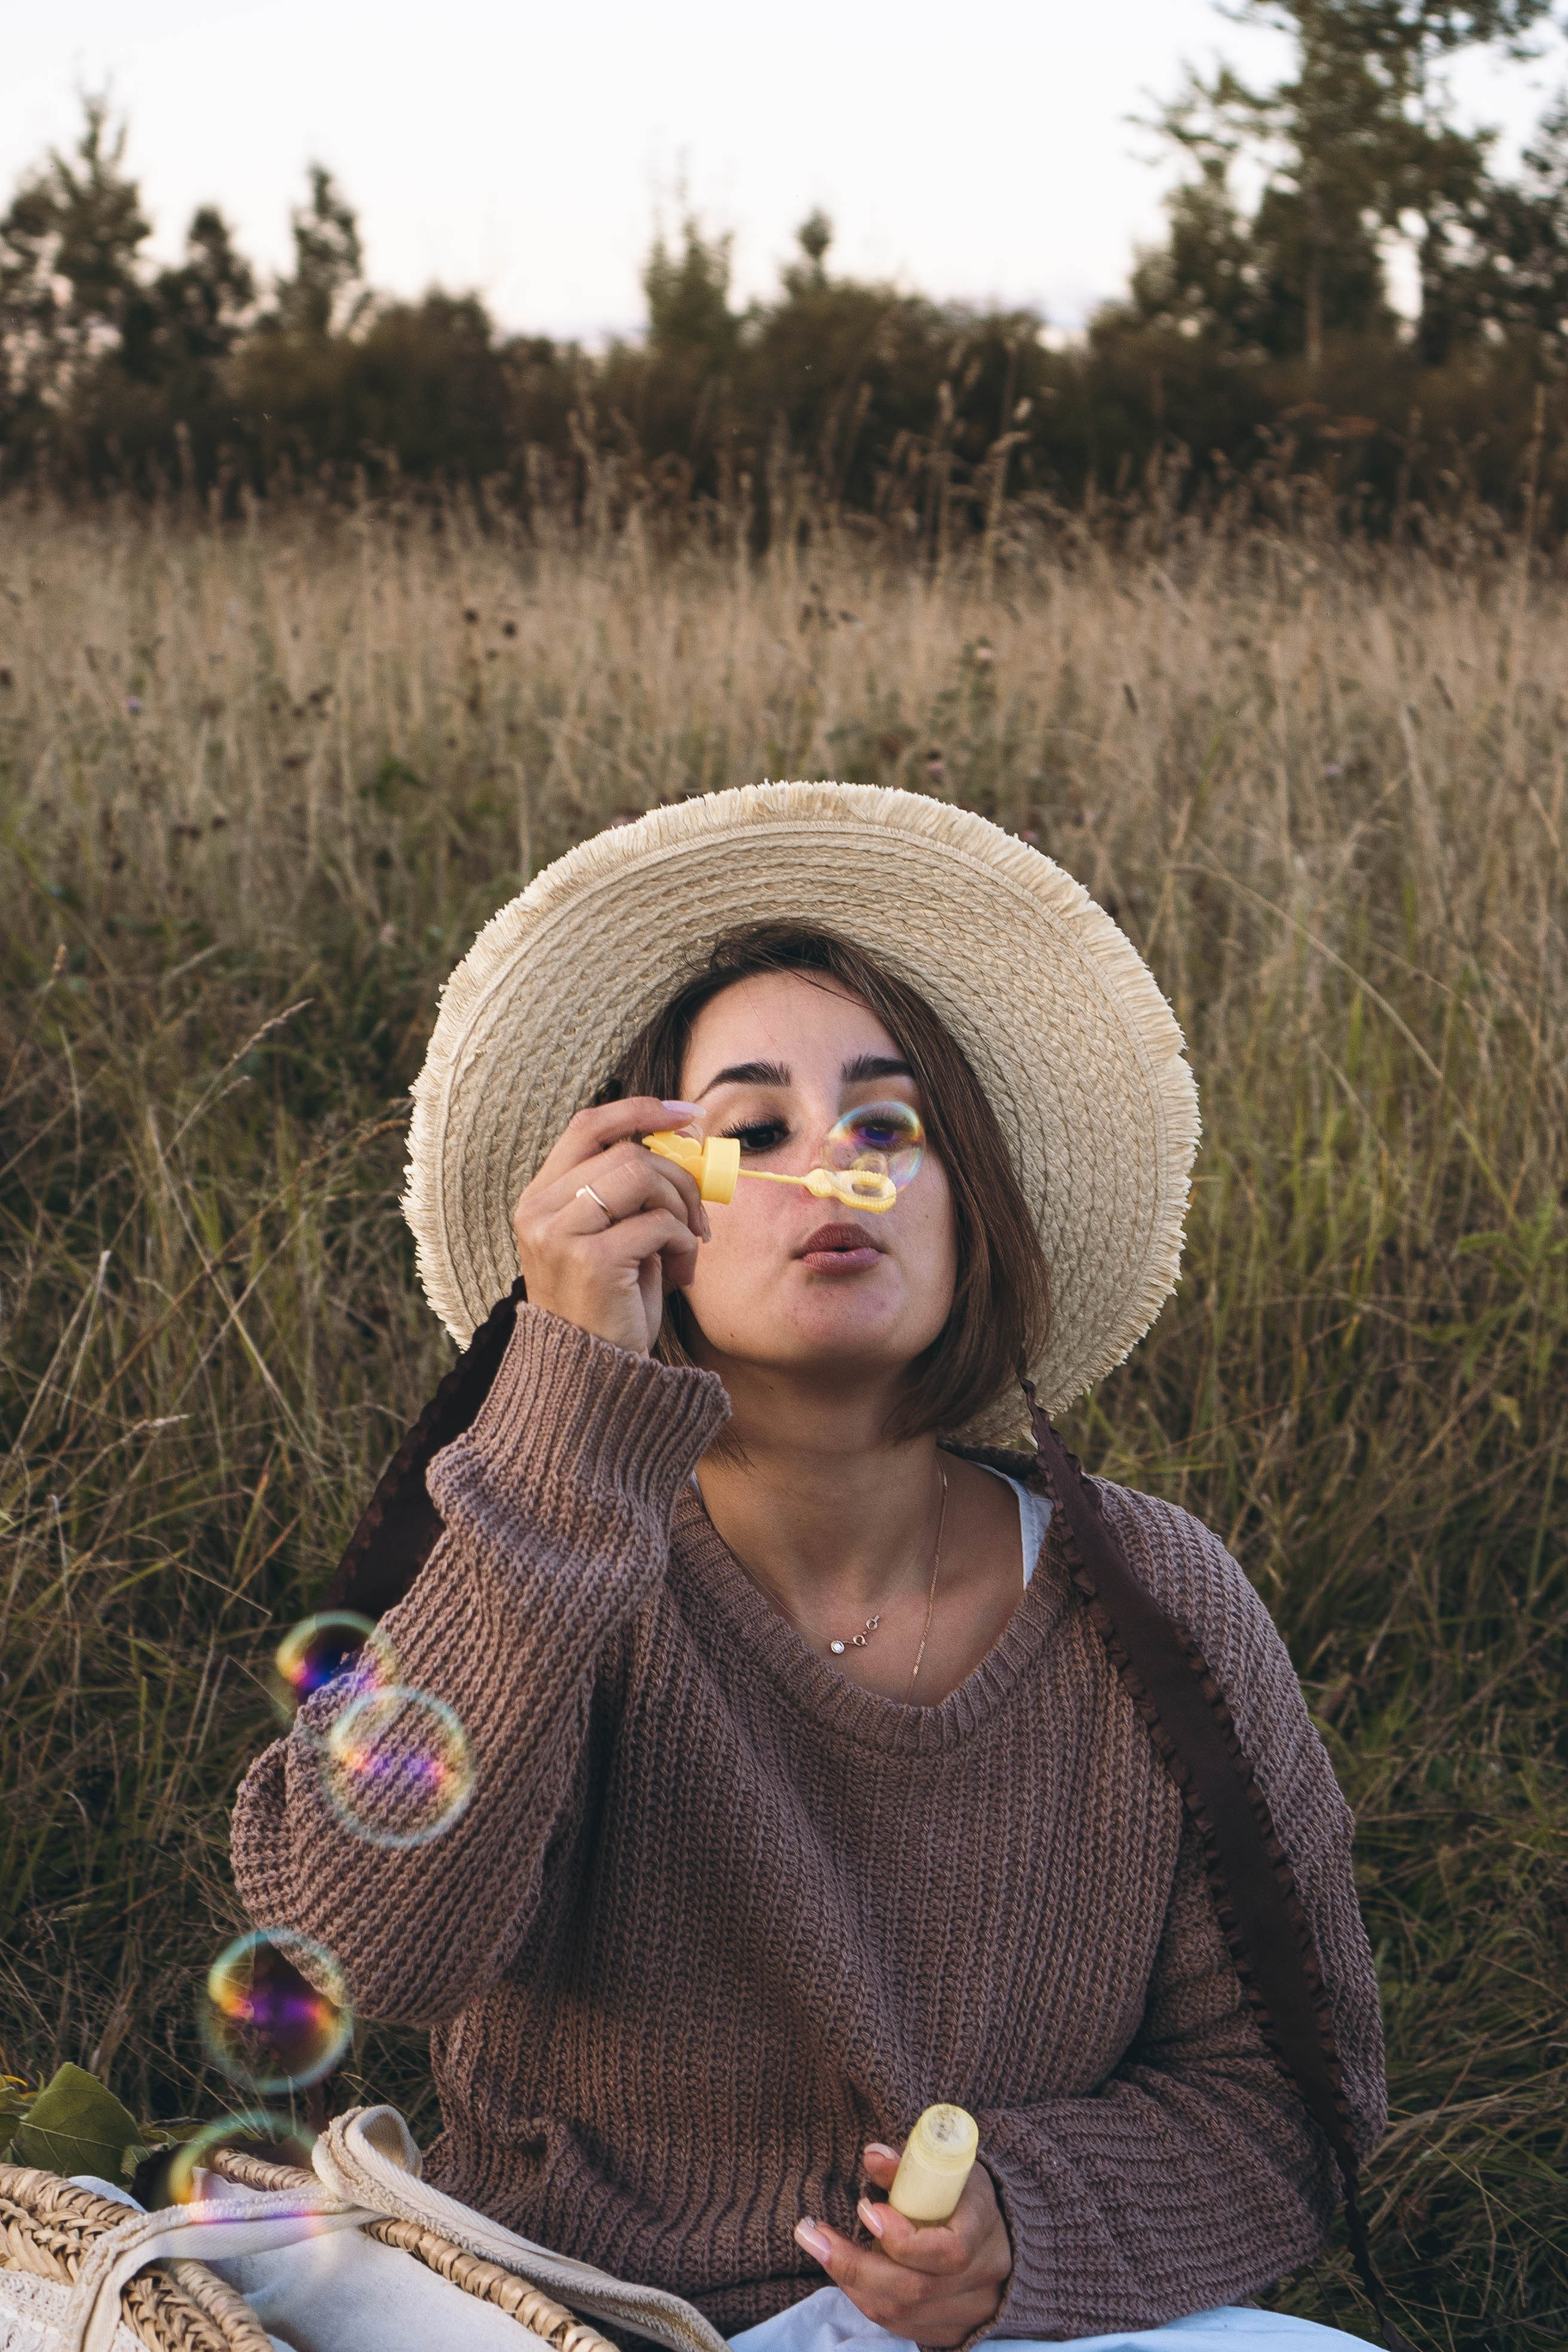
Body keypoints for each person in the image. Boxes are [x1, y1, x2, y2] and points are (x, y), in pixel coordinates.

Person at [233, 783, 1389, 2352]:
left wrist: (1016, 2235)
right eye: (750, 1130)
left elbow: (1287, 2097)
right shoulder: (546, 1553)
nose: (827, 1163)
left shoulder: (1159, 1607)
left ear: (969, 1209)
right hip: (567, 2315)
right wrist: (568, 1409)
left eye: (886, 1124)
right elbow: (365, 1952)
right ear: (649, 1218)